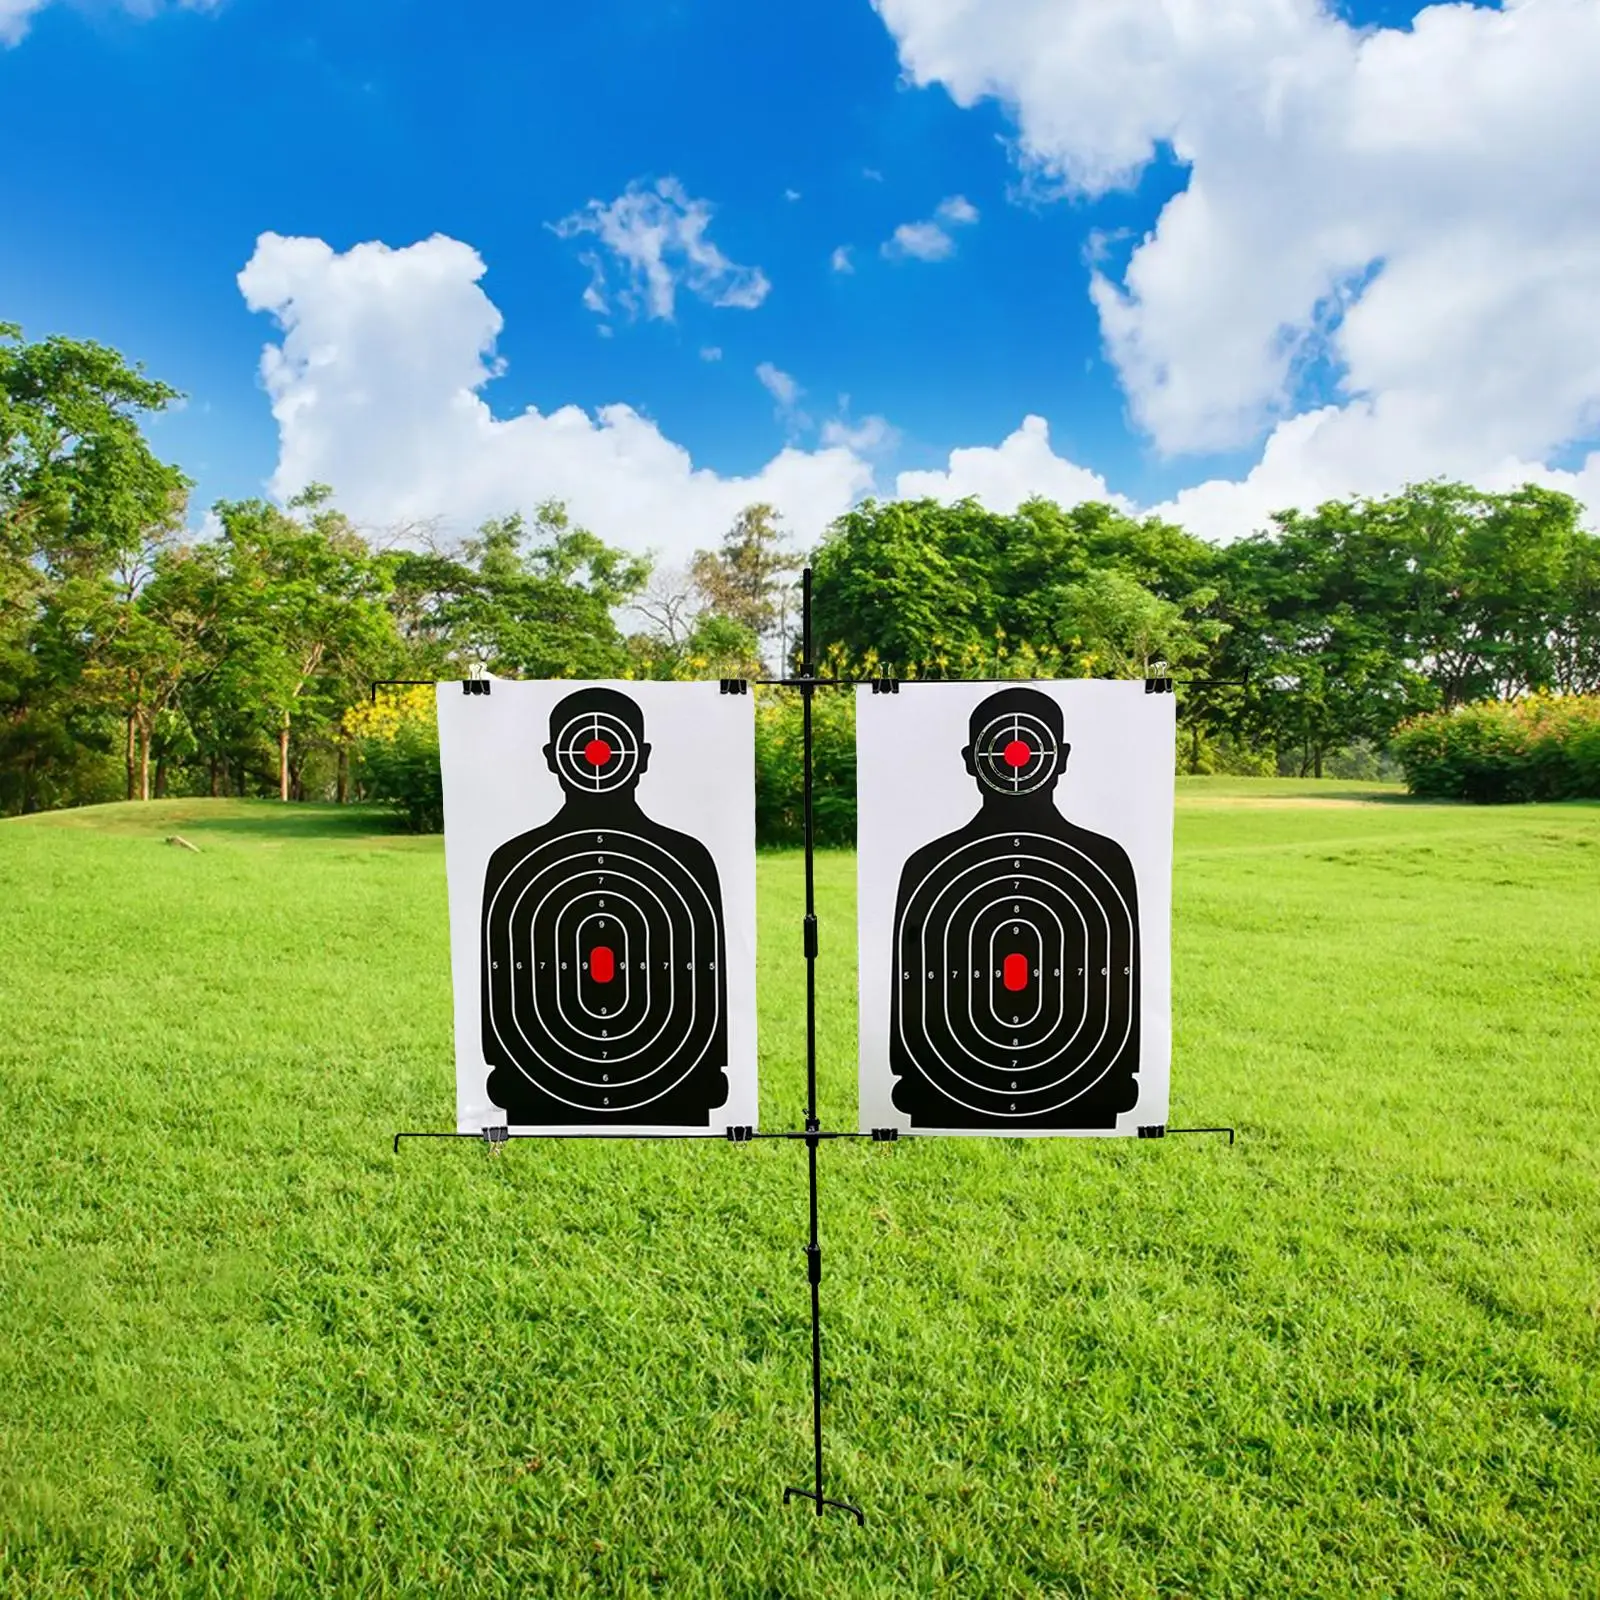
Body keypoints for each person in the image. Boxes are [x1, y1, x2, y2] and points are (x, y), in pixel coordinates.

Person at [889, 685, 1141, 1129]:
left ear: (1060, 757)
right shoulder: (1103, 861)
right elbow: (914, 1012)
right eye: (1003, 744)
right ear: (972, 760)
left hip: (1074, 1086)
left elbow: (1116, 1004)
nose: (1017, 754)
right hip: (957, 1088)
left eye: (1027, 744)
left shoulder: (930, 865)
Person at [481, 686, 729, 1126]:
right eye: (585, 744)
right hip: (546, 1077)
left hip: (666, 1078)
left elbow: (705, 999)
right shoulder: (685, 857)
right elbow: (504, 995)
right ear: (554, 756)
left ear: (643, 755)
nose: (596, 754)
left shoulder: (515, 861)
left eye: (611, 743)